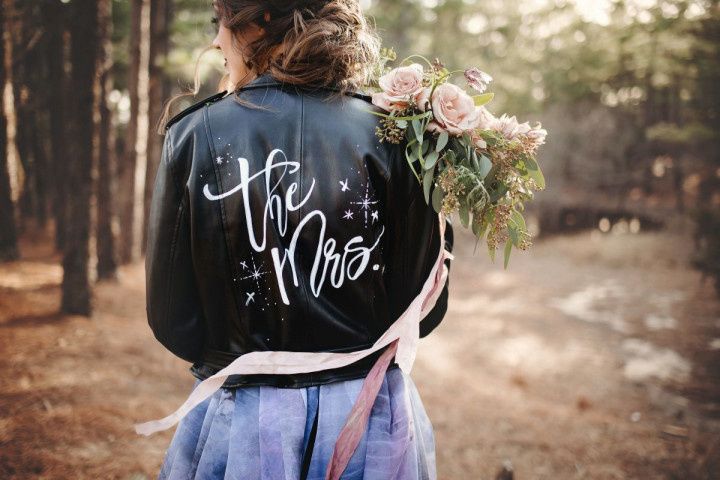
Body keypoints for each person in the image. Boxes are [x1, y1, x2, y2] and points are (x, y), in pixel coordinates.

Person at [143, 1, 454, 478]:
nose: (216, 42)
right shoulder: (396, 136)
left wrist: (243, 354)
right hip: (364, 419)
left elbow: (172, 320)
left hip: (242, 417)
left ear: (260, 21)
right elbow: (423, 308)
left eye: (220, 24)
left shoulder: (194, 133)